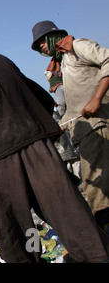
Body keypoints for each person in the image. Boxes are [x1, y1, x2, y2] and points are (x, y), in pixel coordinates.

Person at [0, 32, 108, 263]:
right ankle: (97, 255)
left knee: (13, 224)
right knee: (65, 208)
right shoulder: (0, 60)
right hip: (38, 145)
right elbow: (44, 99)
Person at [31, 20, 109, 226]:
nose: (41, 46)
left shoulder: (77, 46)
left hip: (98, 124)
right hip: (85, 129)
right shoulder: (64, 61)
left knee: (97, 186)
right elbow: (74, 107)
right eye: (37, 45)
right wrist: (59, 126)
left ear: (54, 35)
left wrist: (97, 98)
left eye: (42, 41)